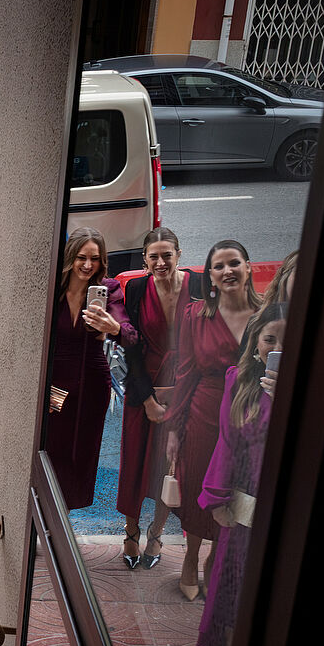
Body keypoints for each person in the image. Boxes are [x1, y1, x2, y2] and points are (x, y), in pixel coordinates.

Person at [165, 239, 263, 600]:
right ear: (210, 276)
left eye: (234, 263)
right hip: (204, 415)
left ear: (248, 267)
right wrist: (174, 428)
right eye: (218, 266)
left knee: (236, 490)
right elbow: (185, 373)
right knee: (198, 488)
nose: (227, 271)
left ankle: (214, 559)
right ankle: (191, 558)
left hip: (249, 414)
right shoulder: (195, 315)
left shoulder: (265, 315)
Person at [197, 302, 288, 646]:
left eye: (289, 340)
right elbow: (227, 441)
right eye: (270, 339)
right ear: (255, 342)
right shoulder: (239, 380)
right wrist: (217, 497)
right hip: (246, 501)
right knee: (235, 582)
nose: (278, 347)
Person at [117, 227, 204, 568]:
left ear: (179, 254)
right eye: (153, 256)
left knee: (171, 465)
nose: (161, 262)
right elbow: (130, 349)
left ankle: (156, 534)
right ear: (145, 259)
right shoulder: (137, 289)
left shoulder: (199, 285)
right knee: (135, 464)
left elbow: (205, 342)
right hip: (143, 389)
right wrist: (148, 400)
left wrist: (180, 394)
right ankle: (131, 532)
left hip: (187, 389)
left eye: (167, 255)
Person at [46, 226, 136, 510]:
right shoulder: (54, 287)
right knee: (52, 450)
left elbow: (130, 335)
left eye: (95, 259)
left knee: (81, 455)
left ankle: (65, 518)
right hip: (55, 382)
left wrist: (114, 327)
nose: (87, 265)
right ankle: (46, 515)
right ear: (70, 257)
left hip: (92, 384)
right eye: (81, 258)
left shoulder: (108, 290)